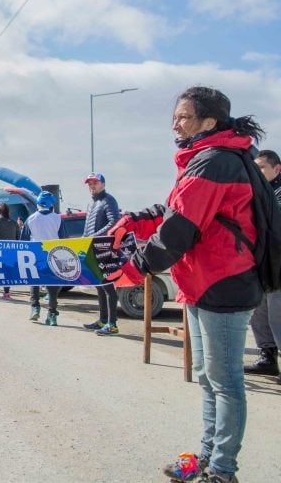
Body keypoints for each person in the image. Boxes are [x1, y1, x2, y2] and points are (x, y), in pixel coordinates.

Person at [108, 86, 265, 483]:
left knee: (226, 382)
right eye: (175, 116)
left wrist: (135, 268)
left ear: (209, 122)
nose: (175, 124)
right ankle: (207, 456)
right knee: (209, 377)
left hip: (224, 284)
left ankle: (223, 471)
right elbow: (176, 208)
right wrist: (138, 218)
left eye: (183, 117)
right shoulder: (205, 158)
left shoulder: (216, 161)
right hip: (202, 281)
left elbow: (180, 228)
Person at [242, 149, 281, 380]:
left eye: (262, 168)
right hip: (263, 262)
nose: (257, 172)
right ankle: (267, 357)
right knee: (260, 310)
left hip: (278, 261)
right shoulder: (259, 193)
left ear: (277, 169)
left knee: (277, 312)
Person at [80, 172, 121, 336]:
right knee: (99, 286)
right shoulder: (91, 203)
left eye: (95, 183)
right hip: (91, 248)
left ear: (103, 184)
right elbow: (87, 227)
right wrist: (84, 240)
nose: (92, 186)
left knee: (108, 287)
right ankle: (103, 320)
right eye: (89, 183)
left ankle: (112, 324)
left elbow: (114, 222)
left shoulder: (108, 200)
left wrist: (95, 237)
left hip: (104, 249)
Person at [21, 191, 64, 325]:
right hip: (53, 255)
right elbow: (63, 239)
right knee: (52, 285)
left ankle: (35, 307)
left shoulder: (31, 219)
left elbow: (24, 240)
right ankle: (52, 314)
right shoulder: (58, 218)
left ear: (38, 204)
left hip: (35, 255)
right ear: (51, 205)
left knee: (34, 281)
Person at [0, 203, 17, 299]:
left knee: (0, 269)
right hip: (11, 250)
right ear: (9, 212)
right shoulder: (14, 223)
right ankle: (7, 292)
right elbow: (18, 237)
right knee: (7, 270)